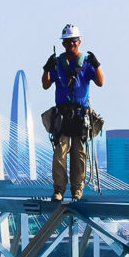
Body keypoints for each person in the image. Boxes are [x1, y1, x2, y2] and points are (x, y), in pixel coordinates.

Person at [41, 23, 104, 202]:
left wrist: (96, 65)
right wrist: (47, 68)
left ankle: (77, 189)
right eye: (68, 42)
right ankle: (59, 189)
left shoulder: (85, 64)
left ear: (79, 42)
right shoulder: (58, 64)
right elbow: (45, 84)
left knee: (79, 152)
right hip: (62, 114)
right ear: (63, 44)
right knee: (60, 152)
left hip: (79, 114)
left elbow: (100, 82)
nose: (71, 45)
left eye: (74, 41)